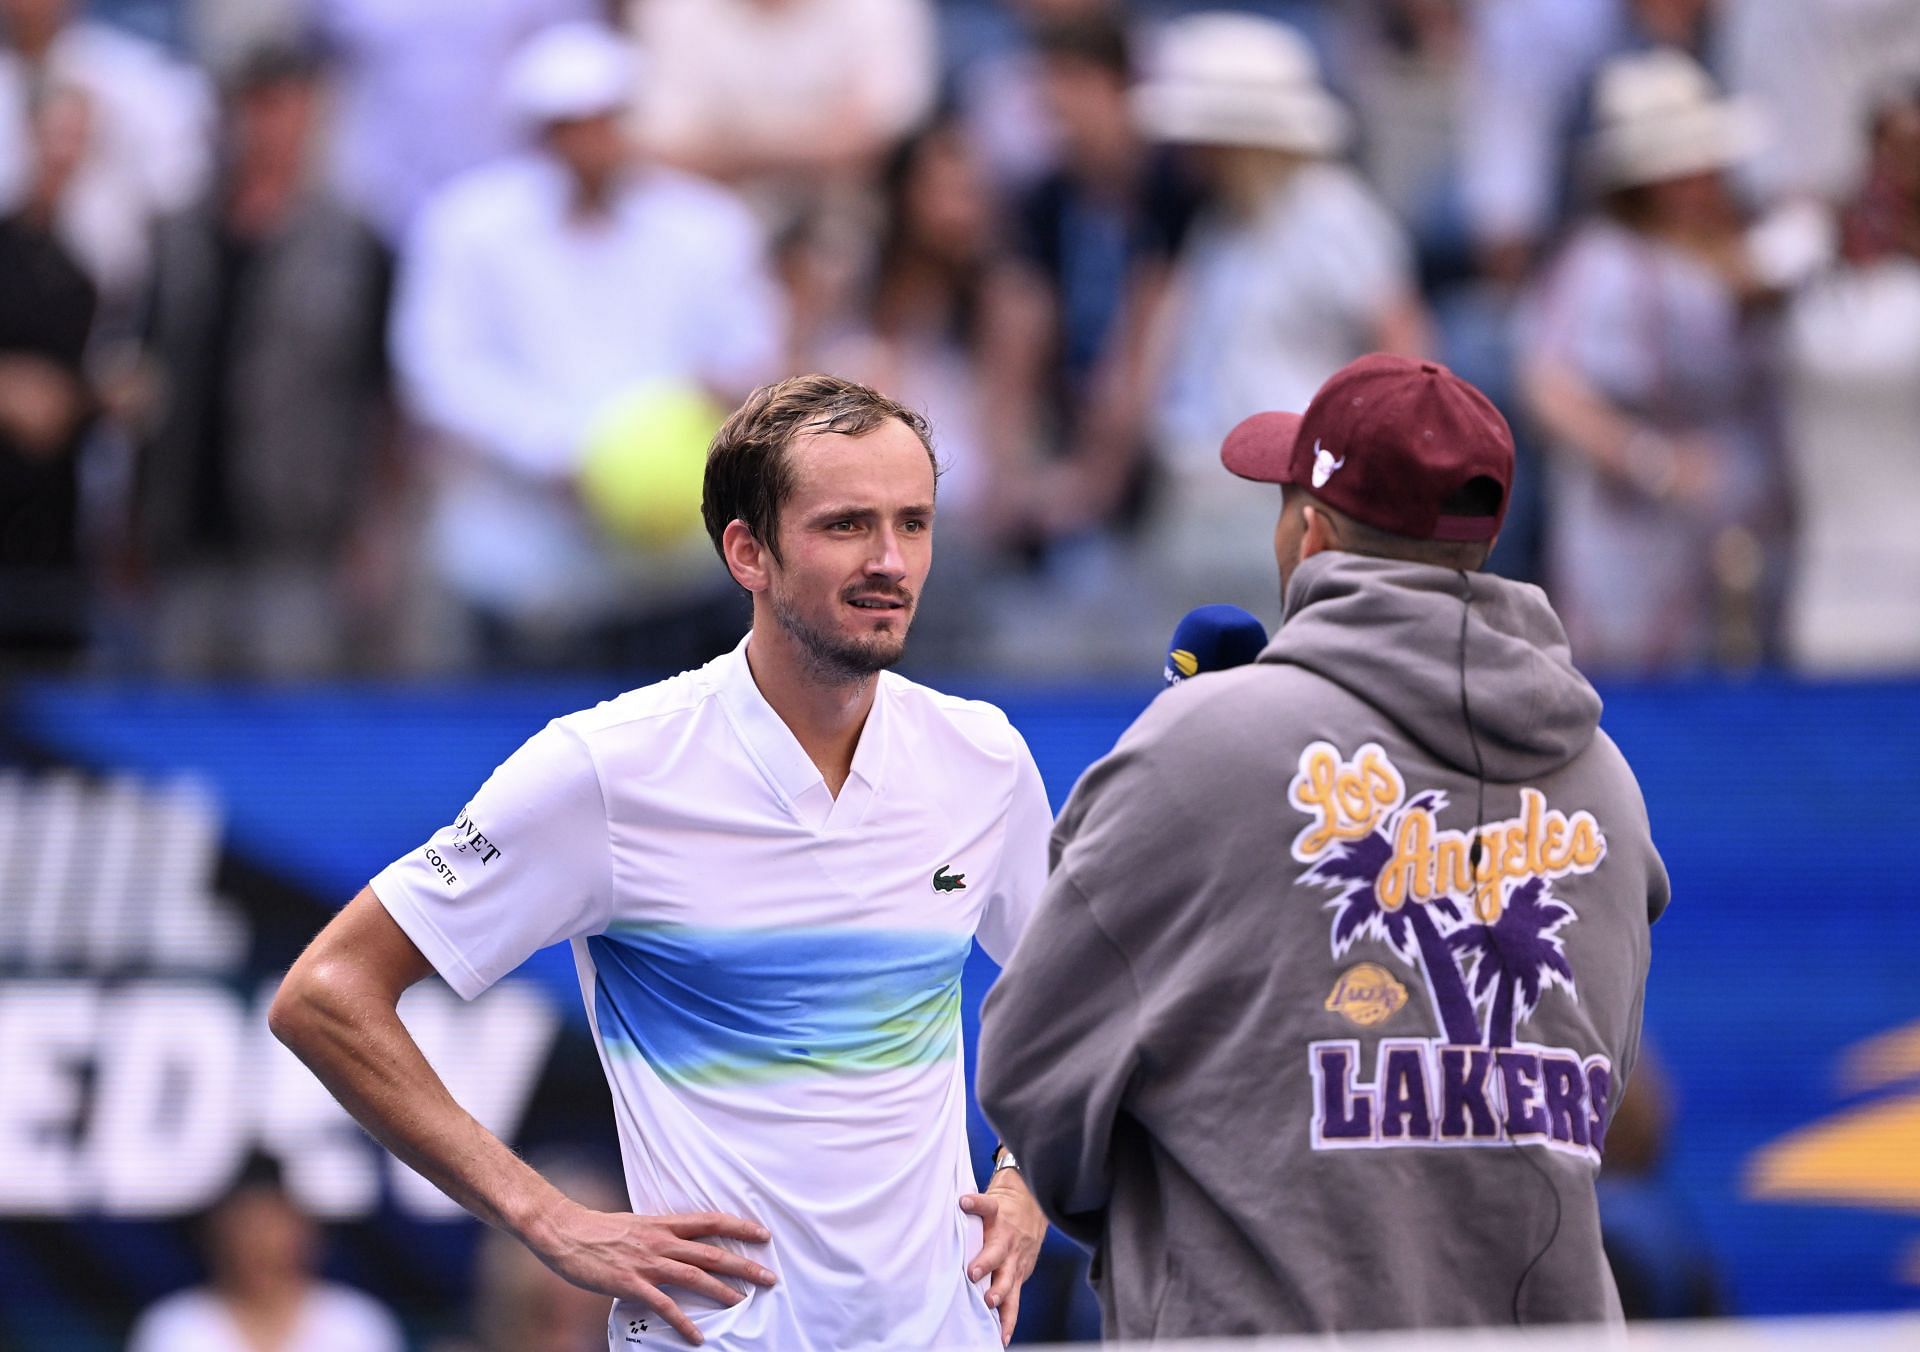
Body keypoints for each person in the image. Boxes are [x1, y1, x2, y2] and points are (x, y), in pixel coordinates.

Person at [269, 374, 1052, 1351]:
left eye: (915, 522)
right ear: (746, 552)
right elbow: (327, 991)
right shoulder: (605, 767)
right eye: (846, 524)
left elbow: (1073, 989)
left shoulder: (983, 756)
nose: (892, 560)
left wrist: (1026, 1177)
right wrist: (545, 1215)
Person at [977, 353, 1670, 1336]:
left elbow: (1030, 1076)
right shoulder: (1607, 782)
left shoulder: (1201, 743)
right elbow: (1592, 1092)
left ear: (1311, 533)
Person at [389, 21, 784, 670]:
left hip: (673, 565)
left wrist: (697, 413)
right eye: (569, 124)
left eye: (605, 120)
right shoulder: (467, 228)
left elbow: (747, 355)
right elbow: (435, 372)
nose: (591, 143)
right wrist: (559, 453)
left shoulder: (707, 227)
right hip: (515, 560)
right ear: (537, 133)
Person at [127, 1151, 405, 1352]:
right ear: (214, 1234)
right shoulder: (174, 1326)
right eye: (245, 1225)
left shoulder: (356, 1322)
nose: (260, 1242)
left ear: (307, 1231)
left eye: (272, 1224)